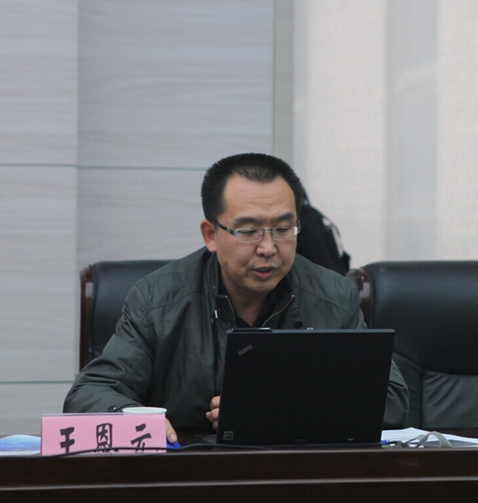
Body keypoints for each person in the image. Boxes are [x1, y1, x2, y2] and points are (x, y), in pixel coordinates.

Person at [64, 153, 409, 443]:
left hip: (298, 477)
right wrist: (136, 418)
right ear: (211, 235)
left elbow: (392, 401)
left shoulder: (333, 296)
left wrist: (278, 407)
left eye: (283, 229)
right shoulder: (157, 300)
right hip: (191, 478)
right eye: (248, 231)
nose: (268, 247)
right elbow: (89, 393)